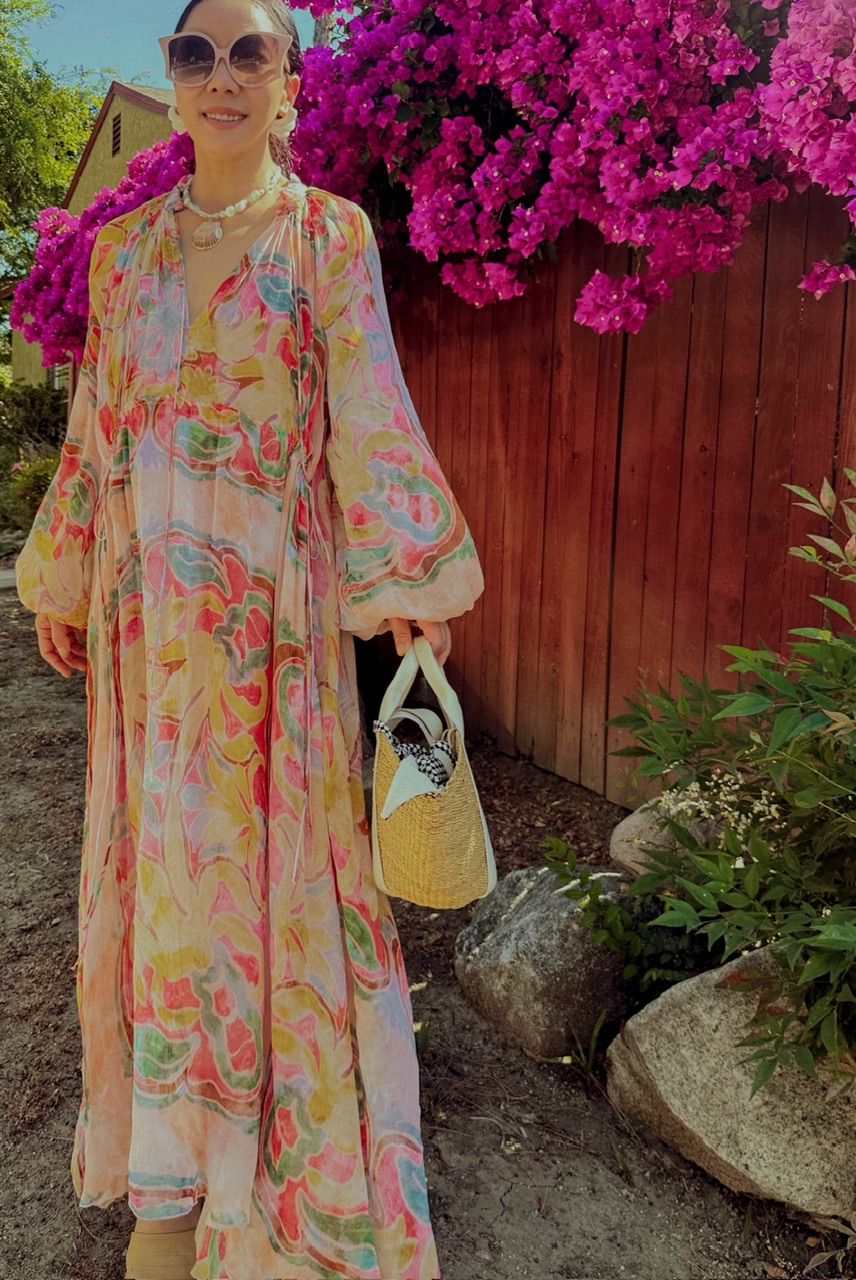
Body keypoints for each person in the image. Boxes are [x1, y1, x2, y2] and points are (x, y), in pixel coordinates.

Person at [15, 1, 484, 1277]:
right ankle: (176, 1180)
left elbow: (370, 408)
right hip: (151, 642)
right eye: (193, 53)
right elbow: (96, 433)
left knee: (277, 895)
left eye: (249, 52)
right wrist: (62, 571)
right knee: (168, 889)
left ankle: (279, 1199)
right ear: (172, 82)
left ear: (289, 86)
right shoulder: (118, 258)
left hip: (274, 639)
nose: (219, 75)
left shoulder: (329, 236)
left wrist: (403, 577)